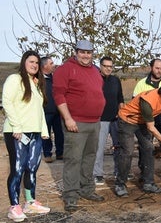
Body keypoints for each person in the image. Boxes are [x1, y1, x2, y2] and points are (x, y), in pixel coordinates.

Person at [53, 40, 106, 212]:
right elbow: (59, 95)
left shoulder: (95, 71)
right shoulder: (65, 69)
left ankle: (87, 189)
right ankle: (70, 195)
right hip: (76, 122)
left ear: (92, 54)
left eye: (89, 52)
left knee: (89, 157)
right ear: (76, 52)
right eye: (82, 52)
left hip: (94, 122)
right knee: (73, 159)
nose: (85, 55)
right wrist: (68, 118)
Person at [2, 50, 51, 222]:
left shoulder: (36, 83)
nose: (34, 65)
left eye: (37, 63)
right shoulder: (14, 79)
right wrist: (16, 126)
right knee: (17, 168)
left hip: (35, 132)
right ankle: (14, 206)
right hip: (17, 132)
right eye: (31, 61)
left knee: (32, 167)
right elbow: (7, 102)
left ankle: (29, 202)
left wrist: (44, 130)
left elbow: (39, 110)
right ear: (24, 62)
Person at [132, 58, 161, 180]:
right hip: (146, 118)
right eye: (157, 68)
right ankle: (144, 171)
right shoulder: (141, 84)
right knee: (145, 146)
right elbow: (135, 101)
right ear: (151, 67)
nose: (159, 71)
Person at [93, 56, 124, 185]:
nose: (108, 69)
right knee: (99, 148)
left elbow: (120, 98)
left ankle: (119, 172)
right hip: (101, 120)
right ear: (100, 66)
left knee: (119, 147)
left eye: (111, 66)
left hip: (116, 120)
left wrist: (121, 114)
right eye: (106, 66)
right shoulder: (95, 80)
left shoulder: (115, 80)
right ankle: (97, 174)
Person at [40, 56, 64, 163]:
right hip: (45, 111)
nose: (53, 65)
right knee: (46, 134)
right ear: (44, 66)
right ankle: (47, 154)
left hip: (57, 111)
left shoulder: (55, 78)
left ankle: (60, 153)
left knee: (59, 133)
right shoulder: (39, 80)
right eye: (51, 63)